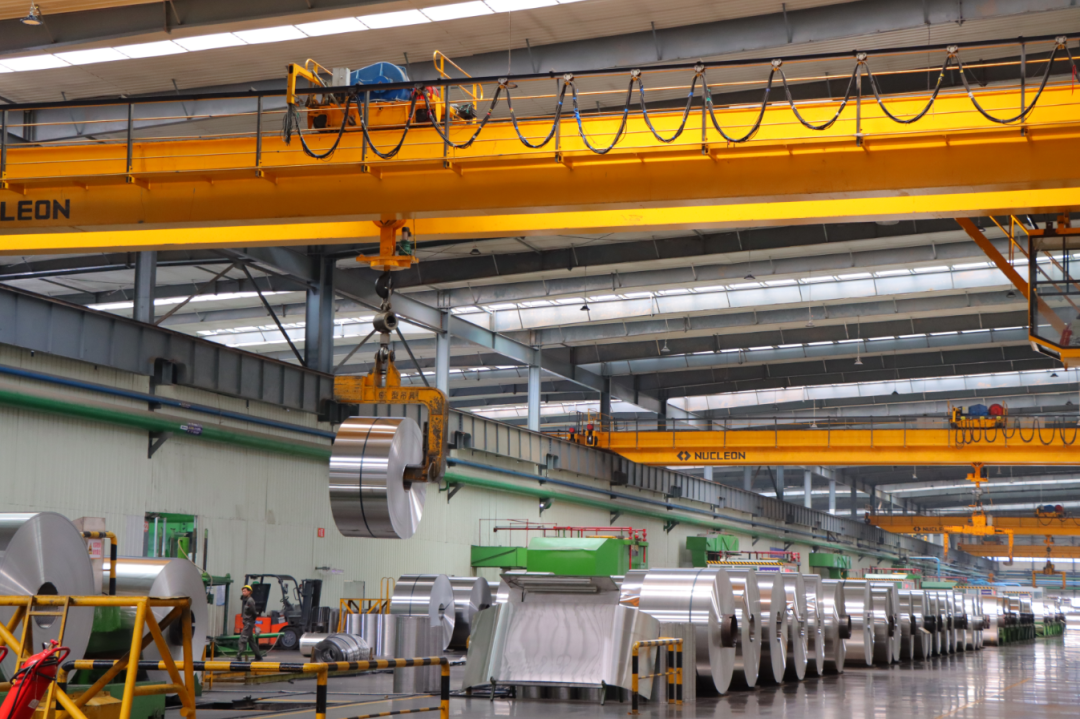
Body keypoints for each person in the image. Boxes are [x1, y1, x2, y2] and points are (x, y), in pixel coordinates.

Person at [239, 585, 264, 662]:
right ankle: (258, 657)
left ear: (249, 592)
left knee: (242, 639)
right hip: (248, 623)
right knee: (251, 642)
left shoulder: (250, 601)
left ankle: (238, 656)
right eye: (242, 591)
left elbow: (254, 612)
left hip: (248, 623)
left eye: (245, 591)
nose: (243, 593)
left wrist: (251, 621)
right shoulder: (247, 600)